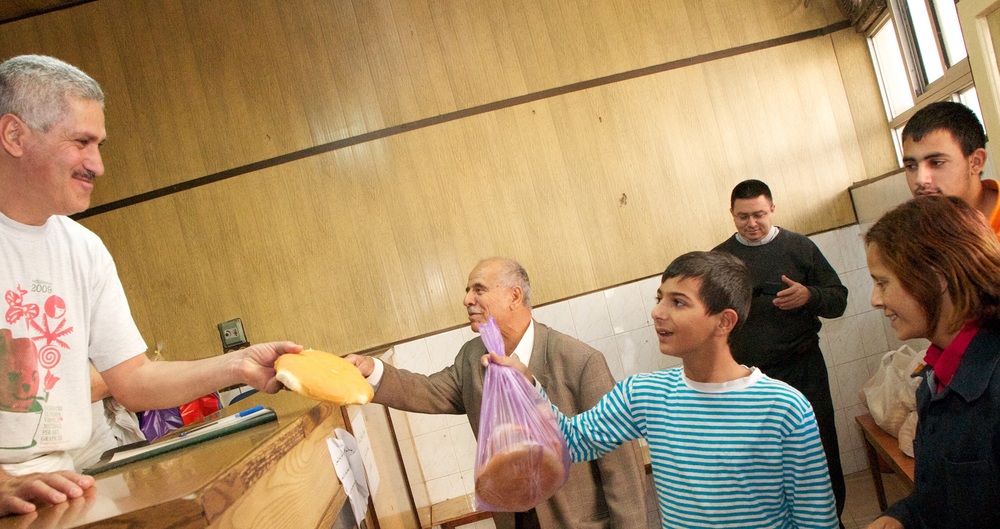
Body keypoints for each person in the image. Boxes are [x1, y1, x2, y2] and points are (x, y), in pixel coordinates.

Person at [0, 54, 301, 517]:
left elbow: (135, 380)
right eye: (81, 142)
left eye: (99, 145)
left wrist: (238, 365)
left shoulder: (84, 249)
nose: (97, 165)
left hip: (62, 490)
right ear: (15, 136)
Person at [488, 251, 839, 529]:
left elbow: (815, 518)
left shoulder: (783, 407)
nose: (657, 313)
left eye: (678, 302)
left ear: (724, 321)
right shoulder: (645, 394)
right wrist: (528, 385)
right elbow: (571, 441)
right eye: (660, 298)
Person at [347, 257, 647, 529]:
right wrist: (372, 369)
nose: (467, 300)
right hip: (513, 519)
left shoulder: (579, 361)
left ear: (514, 296)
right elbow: (429, 391)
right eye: (468, 291)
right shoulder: (472, 358)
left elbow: (621, 468)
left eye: (478, 289)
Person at [712, 179, 848, 521]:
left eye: (758, 214)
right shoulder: (720, 260)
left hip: (804, 368)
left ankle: (832, 520)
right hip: (749, 379)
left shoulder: (800, 248)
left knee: (820, 447)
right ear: (731, 214)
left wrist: (809, 296)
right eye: (743, 217)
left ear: (773, 209)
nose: (752, 223)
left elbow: (838, 299)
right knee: (762, 460)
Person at [863, 196, 1000, 529]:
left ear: (937, 277)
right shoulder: (935, 379)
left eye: (883, 282)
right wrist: (902, 518)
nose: (875, 300)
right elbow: (944, 497)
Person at [900, 101, 1000, 235]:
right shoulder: (913, 236)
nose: (920, 179)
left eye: (936, 163)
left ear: (976, 162)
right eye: (911, 166)